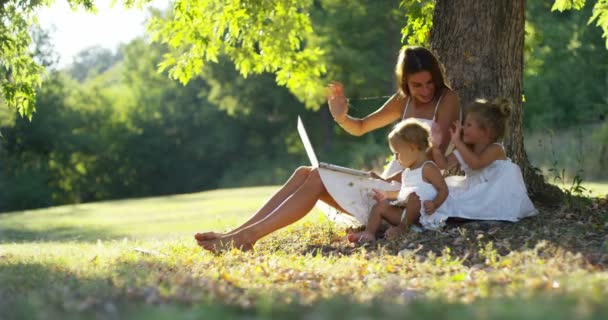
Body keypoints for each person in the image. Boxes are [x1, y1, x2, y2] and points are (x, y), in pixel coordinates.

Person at [194, 46, 460, 252]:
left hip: (406, 193)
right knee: (303, 172)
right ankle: (235, 234)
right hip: (388, 183)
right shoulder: (402, 100)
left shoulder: (446, 100)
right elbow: (360, 127)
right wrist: (341, 116)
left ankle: (245, 238)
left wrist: (388, 181)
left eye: (429, 83)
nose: (425, 90)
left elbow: (433, 162)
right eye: (417, 85)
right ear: (405, 84)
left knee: (319, 177)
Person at [429, 98, 537, 228]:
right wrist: (435, 147)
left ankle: (487, 216)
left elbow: (477, 164)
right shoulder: (465, 148)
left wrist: (457, 142)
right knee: (443, 194)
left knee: (475, 201)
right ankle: (467, 214)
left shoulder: (495, 149)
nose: (463, 128)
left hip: (496, 191)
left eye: (469, 125)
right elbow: (443, 165)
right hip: (474, 188)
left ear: (487, 132)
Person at [346, 119, 449, 243]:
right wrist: (387, 195)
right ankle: (369, 232)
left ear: (412, 147)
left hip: (424, 216)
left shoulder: (428, 168)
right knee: (380, 206)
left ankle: (402, 229)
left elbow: (443, 189)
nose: (396, 158)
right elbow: (402, 192)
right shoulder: (407, 172)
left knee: (414, 197)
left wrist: (435, 204)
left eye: (397, 153)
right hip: (406, 215)